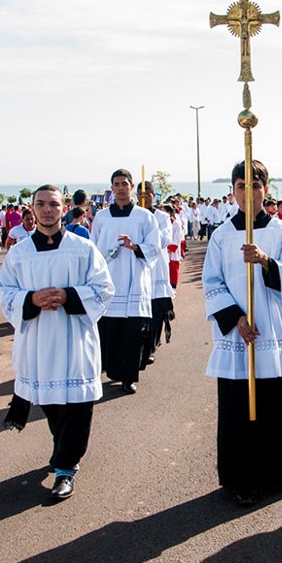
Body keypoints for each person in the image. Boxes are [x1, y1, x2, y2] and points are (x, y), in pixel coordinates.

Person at [203, 159, 282, 506]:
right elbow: (212, 283)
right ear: (232, 191)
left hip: (274, 331)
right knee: (241, 408)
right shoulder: (221, 236)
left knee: (278, 402)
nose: (248, 192)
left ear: (265, 190)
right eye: (241, 186)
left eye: (255, 186)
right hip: (239, 334)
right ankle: (244, 477)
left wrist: (266, 261)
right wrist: (236, 318)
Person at [0, 185, 115, 501]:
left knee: (77, 404)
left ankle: (66, 467)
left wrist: (69, 296)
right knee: (51, 402)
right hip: (38, 340)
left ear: (64, 208)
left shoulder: (83, 249)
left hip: (75, 337)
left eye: (53, 204)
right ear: (32, 209)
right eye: (41, 204)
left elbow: (104, 288)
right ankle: (62, 449)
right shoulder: (19, 253)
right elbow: (5, 293)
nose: (47, 209)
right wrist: (31, 300)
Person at [89, 168, 160, 394]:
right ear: (111, 188)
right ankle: (114, 371)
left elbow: (155, 246)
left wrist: (134, 247)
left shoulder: (144, 216)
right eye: (117, 184)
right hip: (109, 280)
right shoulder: (102, 217)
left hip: (134, 280)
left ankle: (129, 377)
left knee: (132, 334)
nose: (121, 188)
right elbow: (93, 248)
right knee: (111, 331)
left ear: (131, 187)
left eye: (124, 184)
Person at [140, 185, 176, 369]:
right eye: (140, 194)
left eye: (147, 194)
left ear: (153, 196)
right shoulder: (134, 215)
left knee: (156, 312)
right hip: (139, 267)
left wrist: (145, 239)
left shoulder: (162, 217)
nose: (144, 197)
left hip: (157, 269)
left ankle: (151, 348)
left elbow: (165, 239)